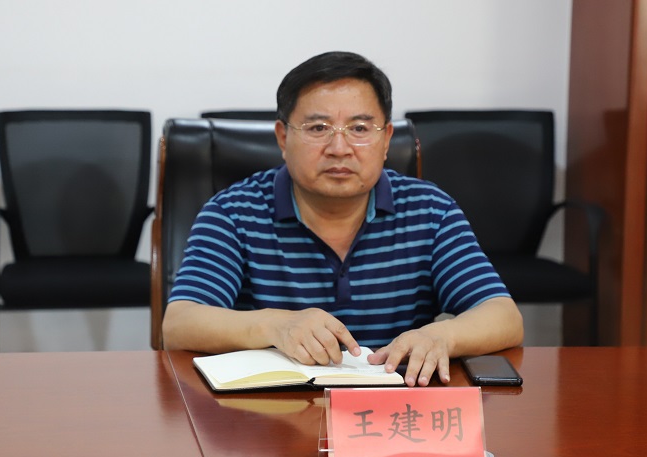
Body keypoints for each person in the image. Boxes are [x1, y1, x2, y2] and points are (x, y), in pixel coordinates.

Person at [163, 51, 523, 387]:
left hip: (394, 409)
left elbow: (503, 315)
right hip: (274, 410)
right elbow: (180, 323)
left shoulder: (430, 210)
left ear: (386, 140)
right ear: (283, 138)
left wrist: (441, 336)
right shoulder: (232, 212)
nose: (339, 148)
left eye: (360, 129)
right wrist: (274, 325)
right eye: (318, 128)